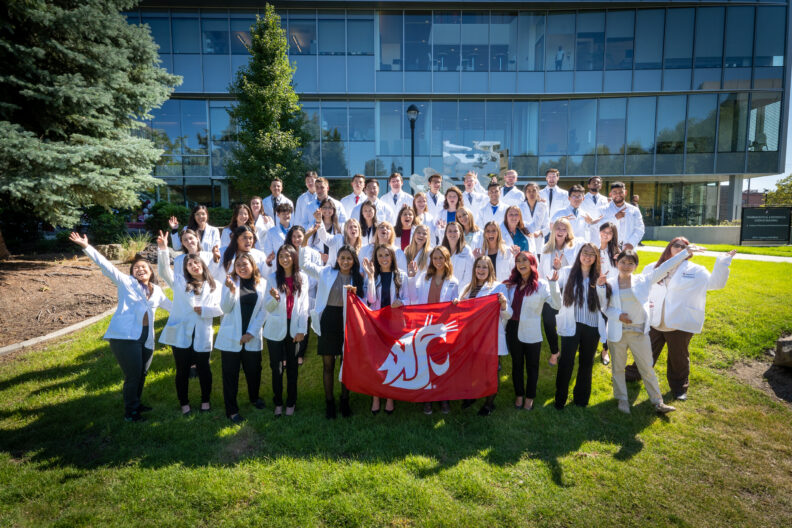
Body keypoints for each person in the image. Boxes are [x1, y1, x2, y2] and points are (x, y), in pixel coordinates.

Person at [69, 233, 171, 422]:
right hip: (126, 338)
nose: (140, 269)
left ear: (151, 271)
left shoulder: (156, 291)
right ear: (132, 272)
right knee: (133, 375)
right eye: (136, 268)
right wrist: (86, 246)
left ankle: (136, 403)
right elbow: (106, 266)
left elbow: (173, 309)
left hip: (146, 337)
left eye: (144, 267)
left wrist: (196, 311)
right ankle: (130, 412)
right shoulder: (126, 283)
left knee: (142, 373)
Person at [624, 239, 737, 400]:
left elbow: (716, 284)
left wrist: (723, 263)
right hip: (655, 319)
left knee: (679, 358)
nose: (680, 249)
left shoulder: (696, 271)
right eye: (677, 245)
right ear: (669, 248)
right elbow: (643, 288)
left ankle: (679, 388)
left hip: (679, 322)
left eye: (684, 247)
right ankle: (634, 374)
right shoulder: (653, 267)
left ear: (690, 251)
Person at [597, 248, 697, 414]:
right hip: (617, 332)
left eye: (630, 263)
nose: (626, 266)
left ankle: (658, 402)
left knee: (647, 368)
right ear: (617, 263)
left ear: (636, 265)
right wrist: (618, 314)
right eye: (623, 262)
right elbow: (603, 306)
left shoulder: (643, 280)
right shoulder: (609, 283)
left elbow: (665, 267)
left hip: (638, 333)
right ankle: (622, 399)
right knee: (618, 368)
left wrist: (684, 253)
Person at [156, 232, 222, 415]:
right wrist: (163, 250)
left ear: (202, 265)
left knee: (204, 368)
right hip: (181, 332)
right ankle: (184, 403)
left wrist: (205, 311)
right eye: (189, 264)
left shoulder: (215, 285)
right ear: (186, 269)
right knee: (182, 369)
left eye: (196, 263)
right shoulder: (179, 282)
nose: (194, 266)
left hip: (202, 331)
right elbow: (163, 272)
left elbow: (221, 308)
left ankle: (205, 401)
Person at [301, 245, 367, 419]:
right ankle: (329, 402)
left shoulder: (358, 278)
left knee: (346, 364)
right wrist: (306, 241)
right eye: (342, 258)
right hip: (329, 319)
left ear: (354, 261)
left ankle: (345, 400)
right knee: (328, 364)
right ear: (337, 259)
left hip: (348, 322)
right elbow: (304, 265)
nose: (345, 261)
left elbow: (366, 301)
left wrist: (357, 294)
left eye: (349, 258)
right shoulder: (326, 272)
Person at [503, 252, 561, 411]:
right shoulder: (511, 285)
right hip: (513, 329)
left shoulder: (541, 285)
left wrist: (554, 285)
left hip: (532, 331)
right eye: (518, 261)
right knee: (517, 365)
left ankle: (530, 396)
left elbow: (556, 305)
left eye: (525, 260)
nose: (521, 263)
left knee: (532, 366)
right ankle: (519, 395)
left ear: (532, 263)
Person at [215, 253, 269, 423]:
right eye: (238, 265)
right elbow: (225, 308)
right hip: (231, 337)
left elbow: (264, 311)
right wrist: (231, 291)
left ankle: (254, 398)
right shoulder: (230, 283)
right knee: (230, 375)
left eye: (245, 264)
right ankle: (231, 410)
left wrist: (251, 333)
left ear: (253, 266)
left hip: (252, 337)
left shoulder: (263, 284)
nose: (241, 267)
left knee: (254, 372)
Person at [407, 246, 459, 415]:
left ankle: (443, 397)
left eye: (440, 258)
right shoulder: (424, 278)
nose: (437, 261)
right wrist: (411, 277)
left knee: (442, 364)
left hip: (443, 328)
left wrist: (456, 302)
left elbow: (454, 307)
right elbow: (413, 297)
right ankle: (427, 398)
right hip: (425, 326)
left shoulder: (453, 281)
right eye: (434, 258)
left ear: (446, 260)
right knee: (426, 363)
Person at [456, 256, 511, 416]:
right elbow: (462, 311)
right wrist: (456, 303)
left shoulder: (498, 288)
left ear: (490, 270)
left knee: (491, 371)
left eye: (484, 267)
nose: (481, 270)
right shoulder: (467, 288)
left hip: (490, 337)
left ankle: (489, 404)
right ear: (474, 269)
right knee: (472, 369)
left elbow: (508, 314)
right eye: (478, 267)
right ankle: (473, 395)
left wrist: (504, 304)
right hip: (470, 336)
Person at [553, 243, 606, 410]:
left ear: (596, 258)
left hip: (591, 325)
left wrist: (601, 287)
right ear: (579, 254)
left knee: (586, 362)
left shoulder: (599, 276)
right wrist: (555, 270)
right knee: (566, 361)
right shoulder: (568, 271)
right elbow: (554, 287)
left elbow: (604, 303)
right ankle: (560, 398)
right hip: (571, 322)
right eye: (585, 252)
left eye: (592, 254)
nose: (587, 256)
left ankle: (581, 399)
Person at [362, 244, 409, 415]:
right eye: (380, 255)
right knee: (377, 361)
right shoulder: (374, 276)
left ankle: (389, 397)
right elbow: (371, 299)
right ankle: (376, 396)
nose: (383, 258)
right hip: (376, 323)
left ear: (392, 257)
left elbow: (409, 299)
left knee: (393, 360)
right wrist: (371, 276)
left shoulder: (401, 276)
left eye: (386, 255)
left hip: (395, 324)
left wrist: (401, 302)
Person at [263, 244, 310, 417]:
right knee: (276, 368)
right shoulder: (273, 278)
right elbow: (266, 306)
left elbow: (304, 306)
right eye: (281, 256)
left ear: (294, 257)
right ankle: (278, 402)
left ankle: (291, 401)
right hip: (275, 328)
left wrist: (302, 330)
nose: (284, 259)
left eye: (287, 256)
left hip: (295, 327)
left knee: (292, 367)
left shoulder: (302, 278)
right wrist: (274, 299)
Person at [538, 217, 581, 366]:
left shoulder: (574, 248)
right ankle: (555, 352)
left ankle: (569, 350)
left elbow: (578, 270)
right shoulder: (545, 249)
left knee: (568, 321)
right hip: (550, 291)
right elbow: (541, 273)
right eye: (558, 228)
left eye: (564, 229)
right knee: (549, 322)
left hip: (569, 290)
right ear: (553, 230)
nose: (561, 231)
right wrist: (555, 269)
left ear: (568, 231)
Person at [286, 225, 321, 365]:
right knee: (288, 319)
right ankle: (286, 352)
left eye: (299, 236)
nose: (296, 239)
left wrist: (305, 286)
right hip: (289, 292)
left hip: (308, 292)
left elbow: (316, 275)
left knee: (304, 319)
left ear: (305, 237)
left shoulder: (314, 253)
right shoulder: (286, 252)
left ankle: (300, 353)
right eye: (294, 236)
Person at [597, 221, 621, 365]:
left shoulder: (617, 252)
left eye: (609, 233)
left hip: (612, 290)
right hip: (595, 288)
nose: (606, 235)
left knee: (608, 319)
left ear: (613, 236)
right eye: (604, 231)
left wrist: (620, 262)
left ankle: (605, 350)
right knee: (596, 319)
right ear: (599, 232)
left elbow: (626, 271)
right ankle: (592, 344)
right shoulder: (593, 248)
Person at [598, 182, 644, 250]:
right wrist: (614, 218)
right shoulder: (602, 209)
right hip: (609, 247)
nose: (618, 194)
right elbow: (599, 226)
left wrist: (631, 243)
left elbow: (640, 229)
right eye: (615, 192)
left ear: (625, 192)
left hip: (629, 248)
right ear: (610, 194)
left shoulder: (634, 210)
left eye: (621, 192)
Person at [441, 220, 474, 288]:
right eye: (450, 231)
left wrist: (458, 291)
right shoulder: (441, 251)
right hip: (443, 291)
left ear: (460, 233)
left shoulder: (466, 250)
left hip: (461, 292)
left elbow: (469, 275)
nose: (452, 234)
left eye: (455, 231)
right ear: (446, 233)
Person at [581, 176, 608, 242]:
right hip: (586, 231)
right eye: (593, 182)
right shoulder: (582, 198)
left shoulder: (605, 199)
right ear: (588, 185)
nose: (596, 183)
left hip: (601, 231)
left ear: (600, 186)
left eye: (598, 182)